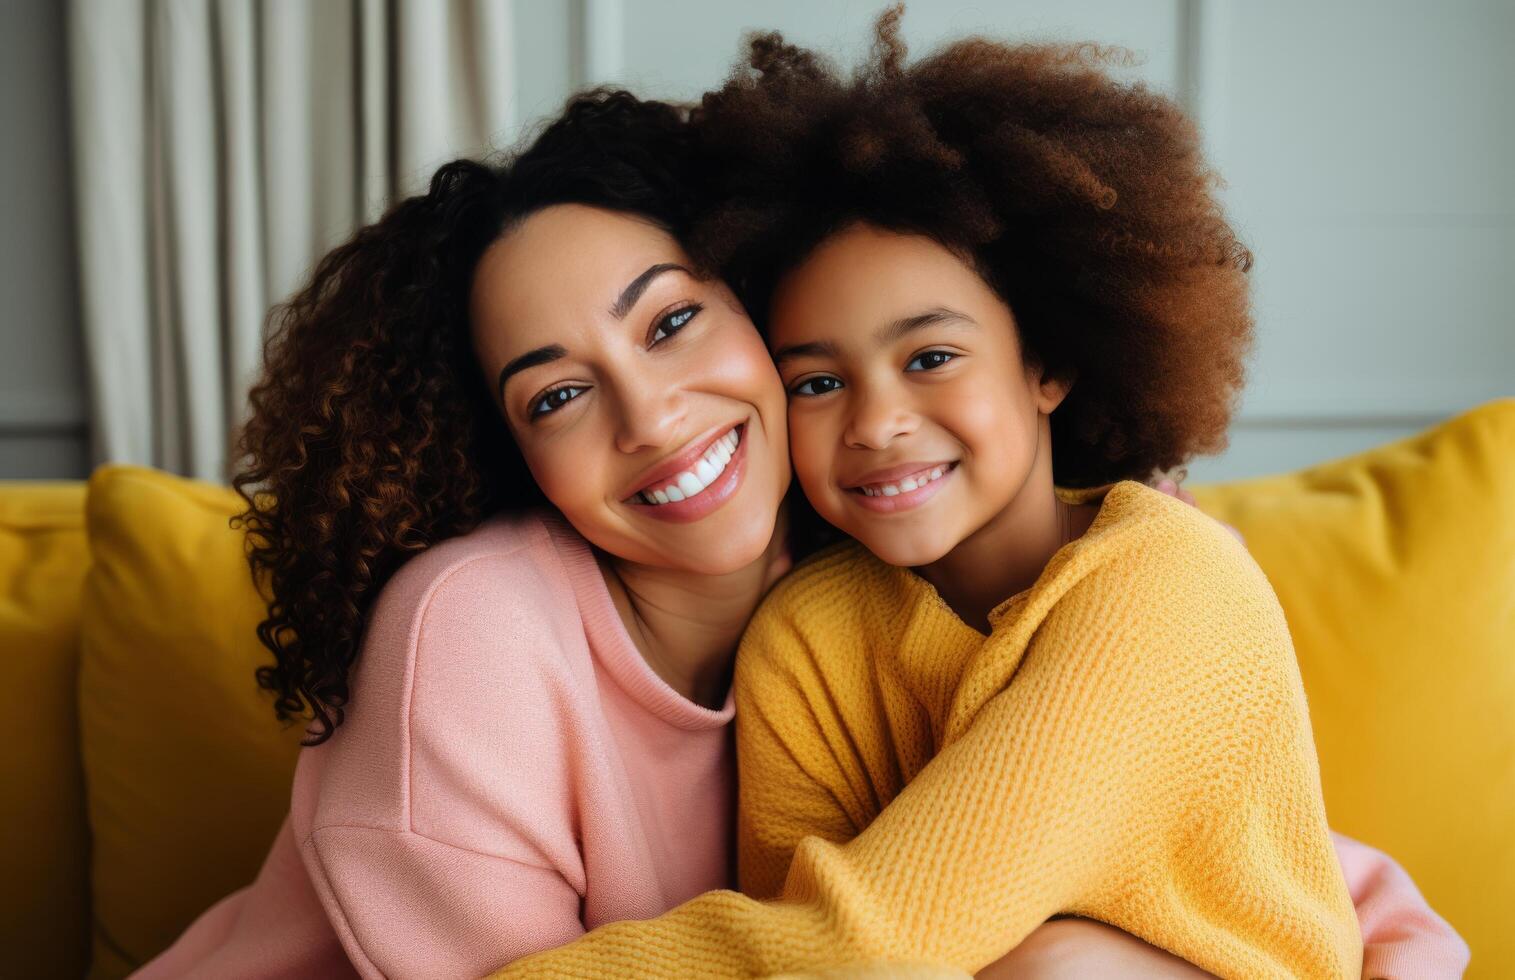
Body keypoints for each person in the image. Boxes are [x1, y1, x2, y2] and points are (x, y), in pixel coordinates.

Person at [134, 55, 1464, 980]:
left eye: (672, 322)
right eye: (555, 397)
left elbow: (1247, 852)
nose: (651, 416)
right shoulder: (474, 636)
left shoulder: (908, 565)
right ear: (508, 451)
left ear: (759, 320)